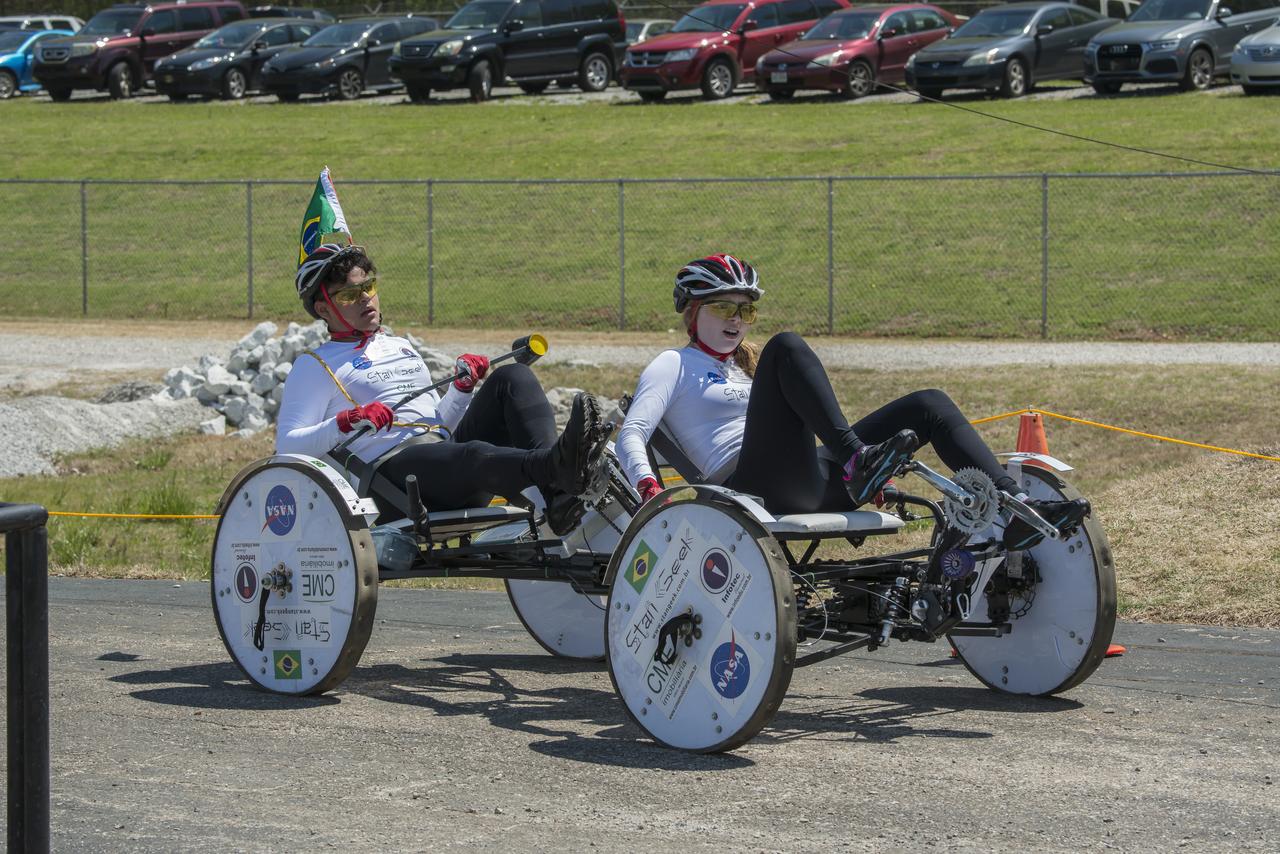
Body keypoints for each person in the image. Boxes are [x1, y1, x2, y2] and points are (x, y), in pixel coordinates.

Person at [616, 253, 1090, 550]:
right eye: (724, 307)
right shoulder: (672, 364)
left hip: (817, 476)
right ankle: (860, 460)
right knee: (788, 346)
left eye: (746, 309)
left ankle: (1021, 507)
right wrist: (649, 491)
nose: (738, 319)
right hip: (750, 489)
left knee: (929, 403)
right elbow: (632, 433)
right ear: (694, 312)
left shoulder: (750, 364)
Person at [276, 243, 610, 535]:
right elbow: (287, 447)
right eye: (350, 294)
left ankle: (559, 499)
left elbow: (439, 427)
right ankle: (558, 465)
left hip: (440, 461)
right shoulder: (315, 365)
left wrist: (463, 389)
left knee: (512, 378)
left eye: (370, 286)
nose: (366, 298)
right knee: (472, 453)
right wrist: (346, 421)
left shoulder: (399, 346)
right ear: (323, 309)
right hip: (393, 484)